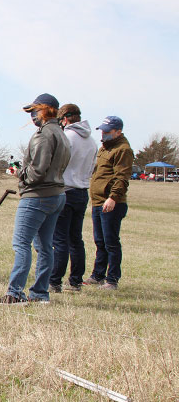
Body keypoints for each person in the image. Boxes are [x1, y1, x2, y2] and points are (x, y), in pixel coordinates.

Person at [0, 93, 70, 305]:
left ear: (45, 110)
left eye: (34, 111)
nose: (32, 117)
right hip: (57, 195)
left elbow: (36, 172)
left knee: (21, 244)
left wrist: (18, 172)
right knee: (45, 247)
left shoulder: (44, 135)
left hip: (37, 197)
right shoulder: (62, 134)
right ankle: (39, 294)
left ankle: (15, 294)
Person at [49, 104, 97, 293]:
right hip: (82, 192)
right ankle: (76, 281)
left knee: (60, 239)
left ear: (65, 119)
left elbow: (57, 163)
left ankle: (55, 281)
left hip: (65, 190)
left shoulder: (67, 137)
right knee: (75, 238)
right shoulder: (92, 141)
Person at [85, 116, 134, 290]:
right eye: (103, 130)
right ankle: (98, 275)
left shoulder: (123, 150)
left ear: (118, 131)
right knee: (100, 241)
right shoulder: (104, 149)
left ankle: (112, 279)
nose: (103, 134)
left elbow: (122, 177)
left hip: (112, 202)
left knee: (111, 241)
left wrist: (113, 197)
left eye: (107, 131)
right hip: (98, 201)